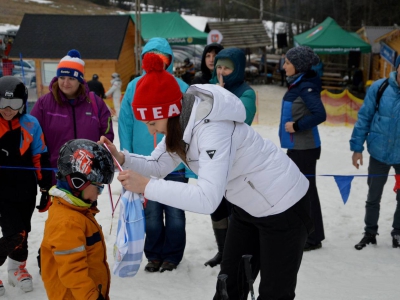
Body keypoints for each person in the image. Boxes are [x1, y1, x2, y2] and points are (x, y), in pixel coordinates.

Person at [100, 53, 313, 300]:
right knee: (228, 287)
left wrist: (147, 187)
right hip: (248, 207)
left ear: (168, 111)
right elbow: (158, 165)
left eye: (152, 122)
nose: (151, 130)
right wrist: (122, 158)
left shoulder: (212, 130)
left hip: (284, 207)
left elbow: (207, 198)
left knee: (274, 294)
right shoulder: (181, 125)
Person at [30, 49, 114, 272]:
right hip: (58, 176)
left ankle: (85, 256)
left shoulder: (94, 103)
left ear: (80, 80)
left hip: (88, 176)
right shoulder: (45, 104)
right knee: (60, 219)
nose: (66, 83)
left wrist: (101, 148)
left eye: (71, 78)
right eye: (62, 78)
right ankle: (49, 256)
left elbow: (106, 130)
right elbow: (33, 135)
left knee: (86, 217)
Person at [118, 37, 190, 273]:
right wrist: (126, 156)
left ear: (169, 60)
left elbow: (189, 129)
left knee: (175, 213)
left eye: (164, 58)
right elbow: (126, 123)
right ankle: (154, 254)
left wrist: (188, 167)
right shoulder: (134, 86)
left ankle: (172, 255)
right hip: (144, 163)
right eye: (154, 57)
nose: (159, 62)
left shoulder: (181, 86)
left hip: (175, 165)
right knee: (150, 214)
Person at [41, 139, 114, 300]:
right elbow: (73, 272)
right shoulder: (67, 222)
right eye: (99, 186)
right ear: (78, 182)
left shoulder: (77, 211)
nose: (100, 193)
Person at [204, 47, 257, 267]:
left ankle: (237, 254)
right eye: (219, 67)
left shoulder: (246, 92)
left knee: (236, 208)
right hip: (212, 158)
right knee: (216, 207)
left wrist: (221, 95)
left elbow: (241, 119)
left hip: (237, 159)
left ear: (237, 69)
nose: (222, 71)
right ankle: (223, 251)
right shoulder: (207, 87)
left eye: (227, 67)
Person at [0, 76, 52, 295]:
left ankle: (16, 268)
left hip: (24, 188)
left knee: (24, 228)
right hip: (1, 189)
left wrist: (45, 188)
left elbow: (40, 156)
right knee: (15, 232)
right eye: (2, 104)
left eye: (15, 104)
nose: (8, 109)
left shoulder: (31, 123)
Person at [279, 46, 327, 251]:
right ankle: (307, 232)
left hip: (305, 149)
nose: (284, 66)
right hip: (296, 146)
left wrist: (297, 126)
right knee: (300, 190)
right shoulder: (297, 84)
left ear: (298, 66)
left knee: (307, 191)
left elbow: (320, 114)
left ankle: (313, 237)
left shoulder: (306, 87)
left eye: (288, 63)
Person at [351, 56, 400, 250]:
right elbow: (364, 117)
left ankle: (398, 232)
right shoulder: (380, 88)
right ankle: (370, 232)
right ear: (397, 68)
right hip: (379, 152)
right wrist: (357, 148)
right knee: (373, 196)